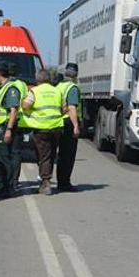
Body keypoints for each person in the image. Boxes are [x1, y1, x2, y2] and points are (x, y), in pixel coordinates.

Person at [0, 62, 27, 199]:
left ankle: (8, 187)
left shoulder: (11, 89)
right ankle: (0, 185)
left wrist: (9, 129)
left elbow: (13, 111)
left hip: (5, 127)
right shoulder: (0, 87)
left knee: (5, 158)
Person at [21, 69, 64, 195]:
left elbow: (26, 106)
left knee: (43, 156)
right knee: (50, 155)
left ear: (38, 79)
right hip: (56, 127)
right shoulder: (57, 91)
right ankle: (45, 180)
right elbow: (64, 108)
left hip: (41, 129)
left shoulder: (34, 91)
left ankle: (46, 183)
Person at [55, 63, 81, 192]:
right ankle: (64, 183)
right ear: (76, 74)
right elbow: (72, 107)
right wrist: (76, 126)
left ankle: (60, 181)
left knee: (61, 155)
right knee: (68, 155)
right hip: (68, 123)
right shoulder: (72, 88)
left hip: (58, 122)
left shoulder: (59, 86)